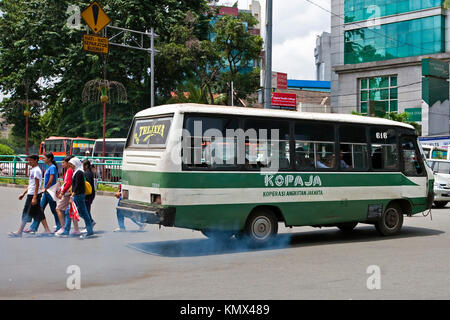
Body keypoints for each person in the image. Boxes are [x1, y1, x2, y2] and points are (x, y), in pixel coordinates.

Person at [8, 155, 53, 237]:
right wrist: (24, 193)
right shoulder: (33, 170)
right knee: (39, 212)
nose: (29, 162)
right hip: (32, 194)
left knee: (26, 212)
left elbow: (37, 185)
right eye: (28, 160)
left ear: (36, 160)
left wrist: (34, 197)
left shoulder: (37, 170)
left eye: (31, 160)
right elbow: (31, 184)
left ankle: (19, 232)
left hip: (33, 194)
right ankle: (47, 230)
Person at [56, 157, 94, 239]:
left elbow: (77, 185)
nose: (70, 166)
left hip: (78, 195)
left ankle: (68, 230)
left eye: (71, 164)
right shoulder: (76, 172)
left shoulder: (79, 172)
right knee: (73, 211)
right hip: (78, 195)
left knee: (76, 212)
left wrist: (72, 195)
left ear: (75, 164)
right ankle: (88, 230)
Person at [24, 152, 60, 234]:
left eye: (44, 158)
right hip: (47, 192)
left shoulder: (52, 167)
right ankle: (33, 227)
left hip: (49, 191)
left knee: (53, 210)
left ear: (49, 158)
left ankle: (59, 227)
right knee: (40, 210)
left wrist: (45, 189)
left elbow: (51, 180)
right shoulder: (49, 167)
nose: (43, 159)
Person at [54, 156, 74, 235]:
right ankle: (71, 228)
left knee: (58, 209)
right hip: (67, 193)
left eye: (63, 162)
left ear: (68, 163)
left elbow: (68, 183)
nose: (62, 164)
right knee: (68, 211)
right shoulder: (69, 171)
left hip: (67, 194)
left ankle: (63, 227)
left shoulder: (69, 171)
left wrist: (62, 192)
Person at [83, 159, 96, 226]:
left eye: (83, 165)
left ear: (86, 166)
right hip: (91, 193)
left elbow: (87, 185)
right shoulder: (89, 172)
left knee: (86, 210)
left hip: (88, 194)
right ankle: (90, 222)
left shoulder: (86, 173)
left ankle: (89, 223)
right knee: (86, 210)